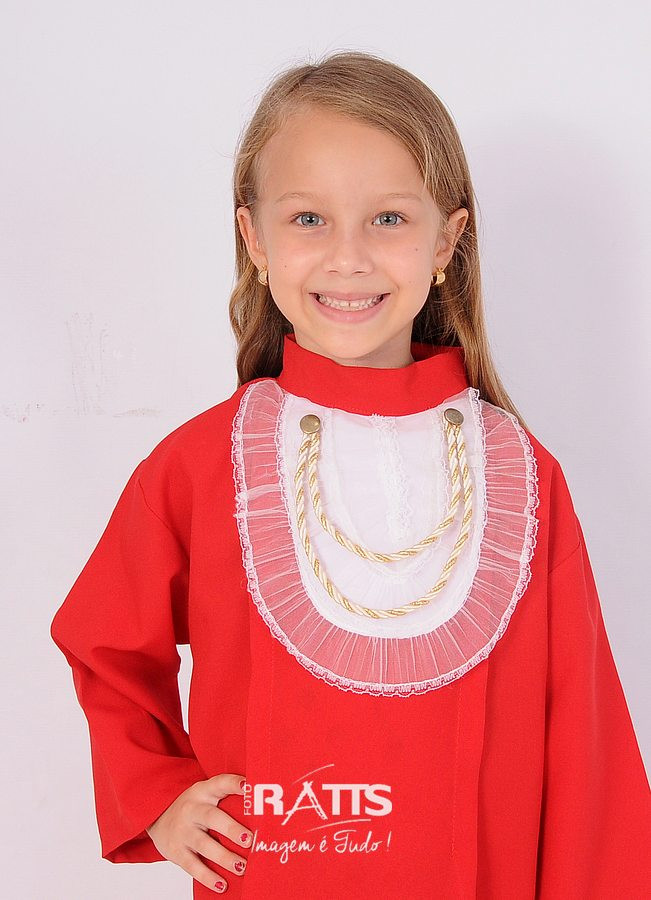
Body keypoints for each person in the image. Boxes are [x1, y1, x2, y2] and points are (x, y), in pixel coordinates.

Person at [50, 50, 651, 899]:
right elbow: (104, 643)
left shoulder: (519, 474)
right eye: (308, 219)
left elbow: (586, 745)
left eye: (387, 219)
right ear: (253, 238)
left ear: (446, 240)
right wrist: (158, 795)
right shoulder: (199, 465)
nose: (348, 258)